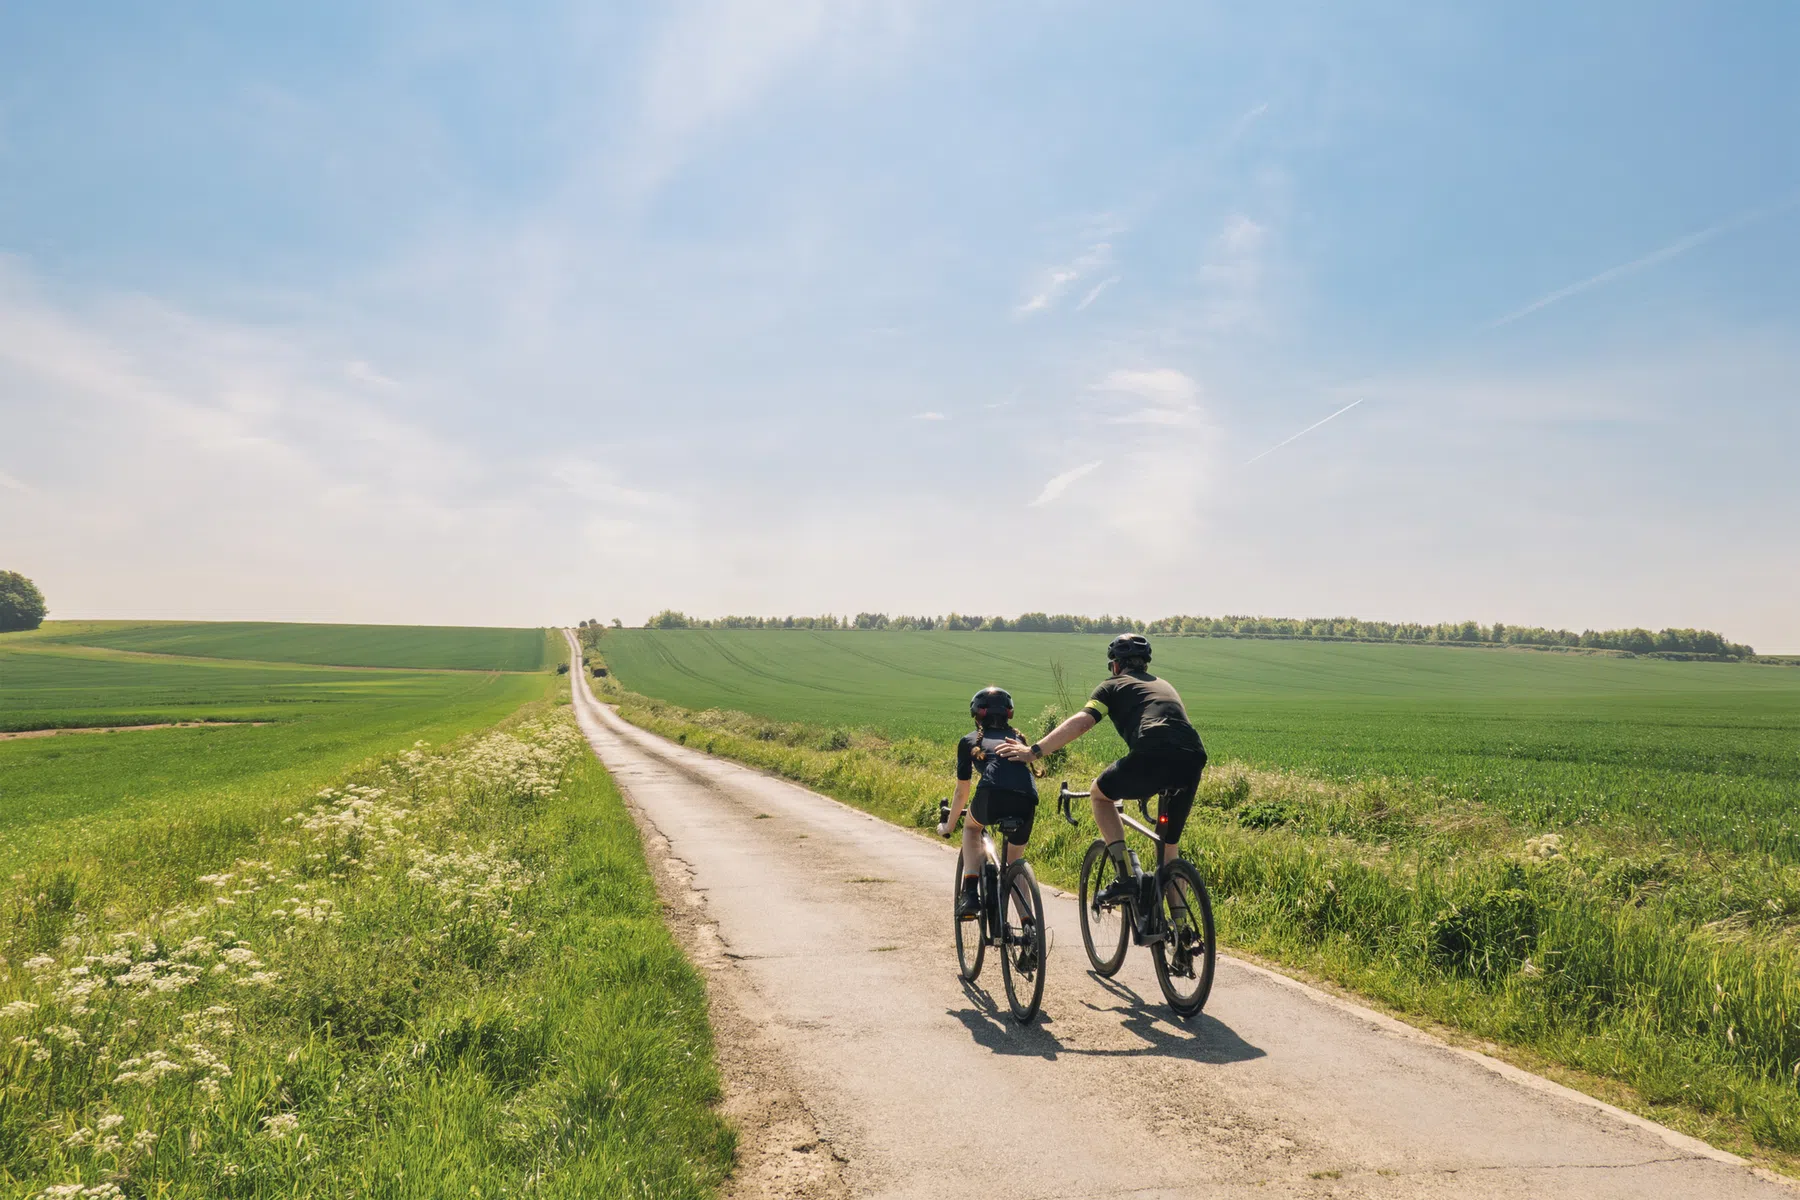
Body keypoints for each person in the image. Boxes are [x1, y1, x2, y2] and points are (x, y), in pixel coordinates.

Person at [998, 633, 1206, 914]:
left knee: (1100, 794)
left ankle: (1125, 876)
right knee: (1169, 852)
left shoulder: (1112, 685)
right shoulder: (1164, 685)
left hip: (1152, 753)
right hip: (1192, 758)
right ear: (1145, 664)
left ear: (1116, 665)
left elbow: (1082, 722)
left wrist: (1032, 752)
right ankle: (1183, 937)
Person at [938, 686, 1040, 919]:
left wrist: (949, 826)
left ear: (977, 715)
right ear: (1008, 714)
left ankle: (971, 893)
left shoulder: (968, 741)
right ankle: (1029, 928)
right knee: (1013, 864)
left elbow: (962, 792)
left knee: (972, 828)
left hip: (991, 796)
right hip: (1026, 799)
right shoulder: (1018, 738)